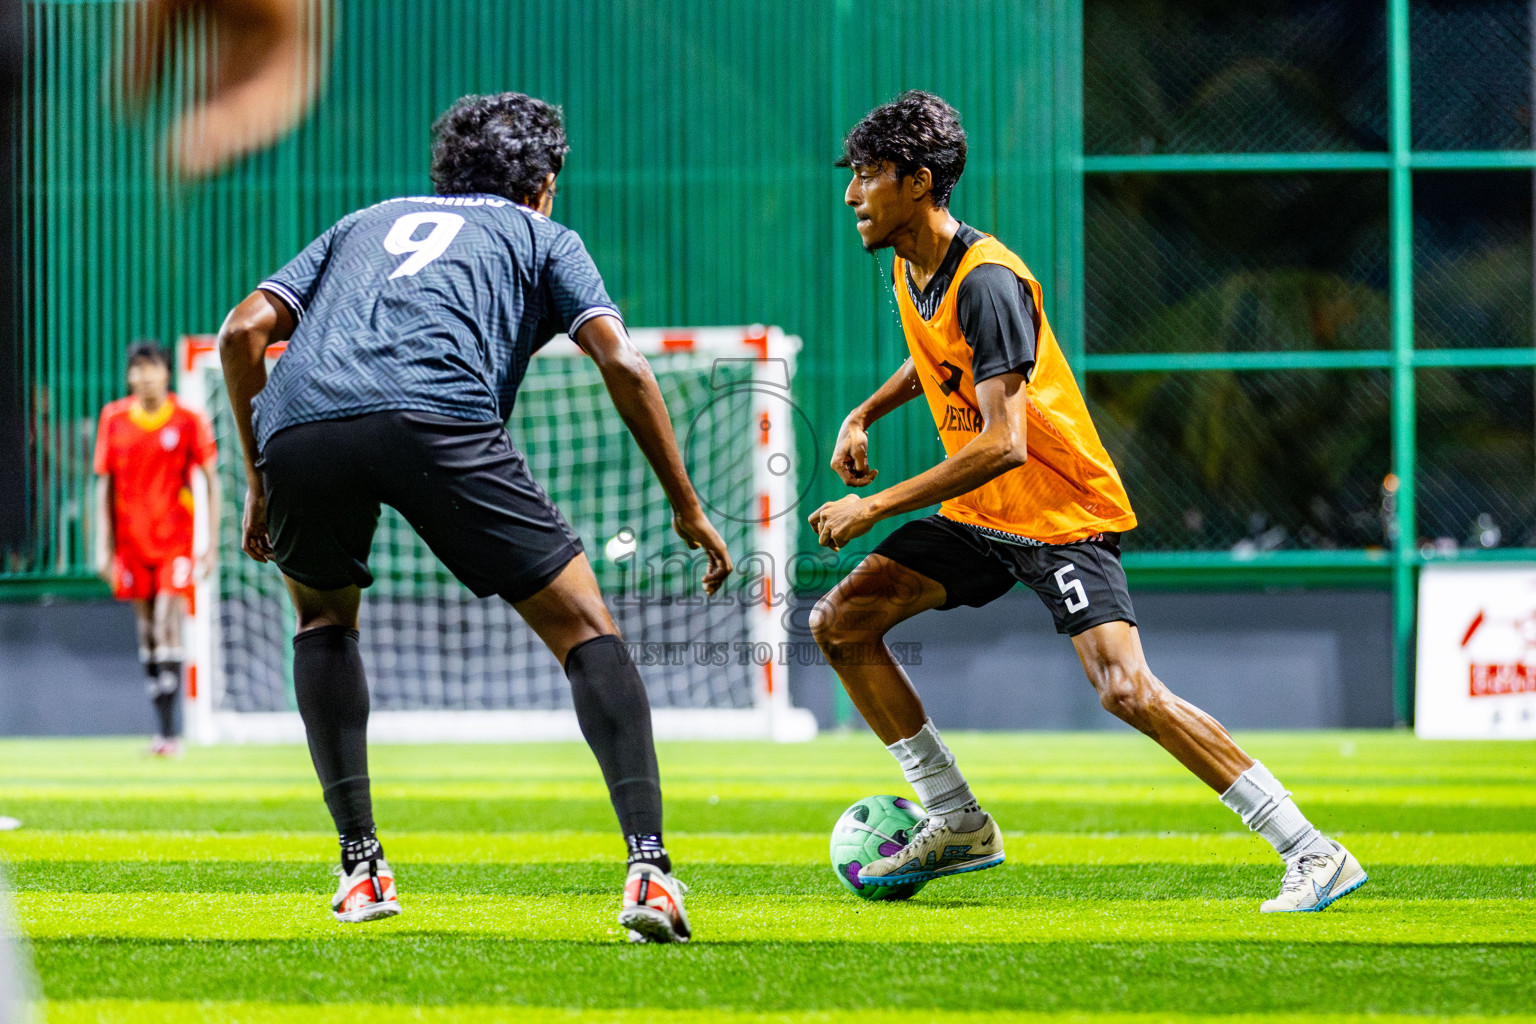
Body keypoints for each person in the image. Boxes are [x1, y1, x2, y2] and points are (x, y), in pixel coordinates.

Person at [807, 91, 1367, 914]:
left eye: (866, 177)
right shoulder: (909, 266)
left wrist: (876, 506)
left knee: (1126, 691)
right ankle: (956, 819)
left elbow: (1005, 442)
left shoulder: (989, 282)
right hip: (982, 514)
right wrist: (864, 411)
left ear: (918, 181)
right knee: (840, 623)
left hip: (1059, 511)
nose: (853, 195)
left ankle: (1311, 849)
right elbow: (936, 358)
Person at [217, 91, 730, 941]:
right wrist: (687, 506)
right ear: (545, 180)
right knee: (585, 629)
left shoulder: (364, 222)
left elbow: (242, 334)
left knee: (322, 620)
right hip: (437, 417)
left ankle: (361, 870)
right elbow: (624, 363)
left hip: (299, 423)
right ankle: (649, 872)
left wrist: (259, 477)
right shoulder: (543, 235)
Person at [93, 340, 219, 757]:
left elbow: (211, 479)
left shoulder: (187, 419)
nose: (146, 376)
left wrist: (210, 542)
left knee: (168, 616)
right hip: (131, 544)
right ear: (130, 375)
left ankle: (171, 733)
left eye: (154, 368)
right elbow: (104, 484)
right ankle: (164, 733)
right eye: (138, 369)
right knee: (146, 630)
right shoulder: (113, 418)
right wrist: (102, 546)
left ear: (167, 373)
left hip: (175, 542)